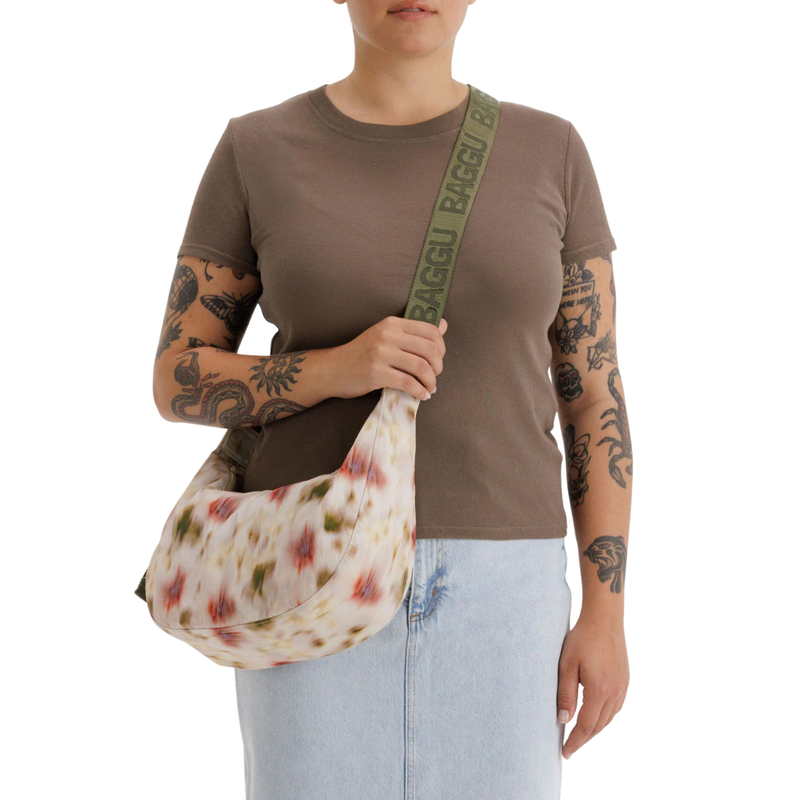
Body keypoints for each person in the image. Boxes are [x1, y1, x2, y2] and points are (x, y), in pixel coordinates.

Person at [151, 1, 631, 797]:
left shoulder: (552, 152)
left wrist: (605, 617)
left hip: (506, 590)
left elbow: (595, 399)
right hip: (308, 569)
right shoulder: (257, 150)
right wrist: (335, 368)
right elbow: (177, 377)